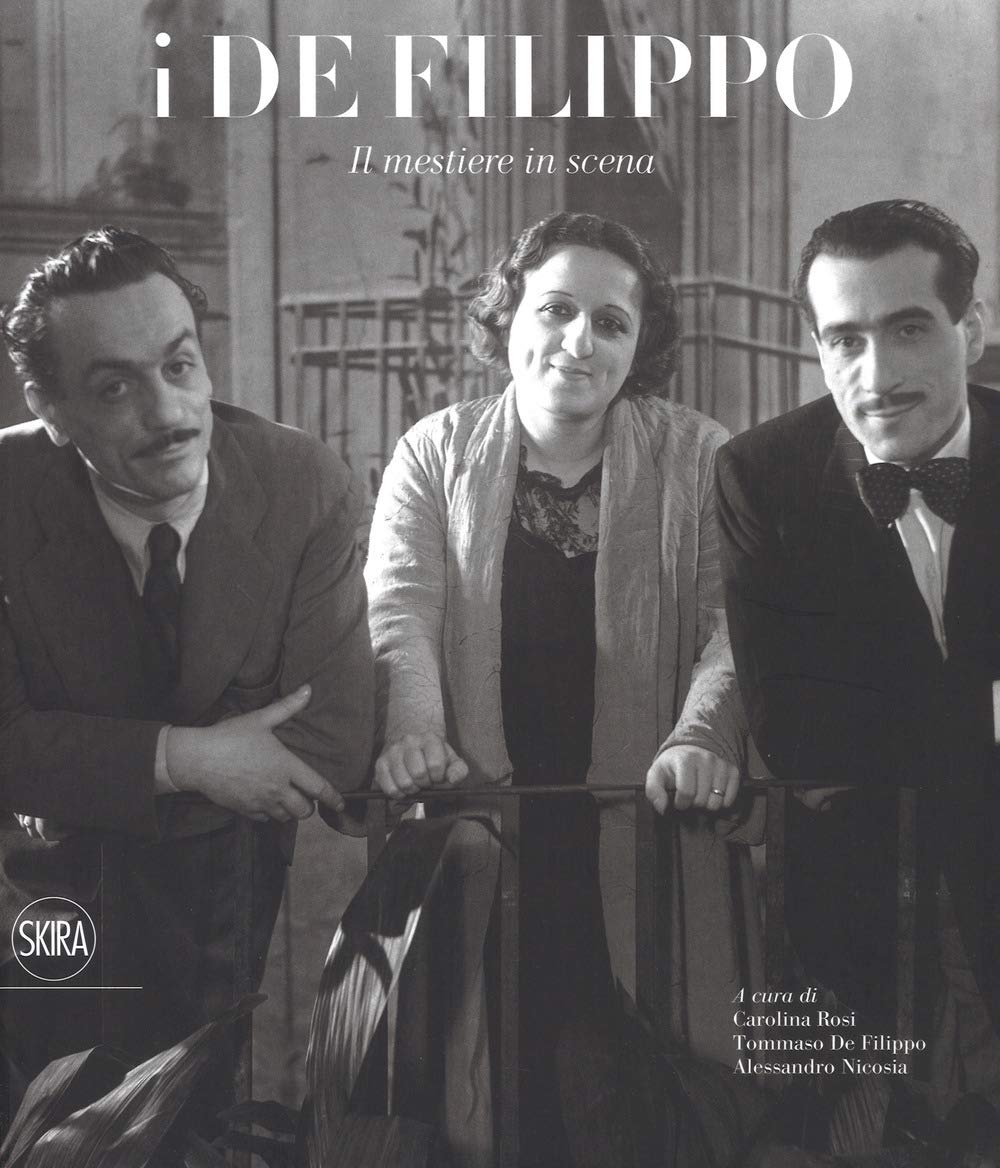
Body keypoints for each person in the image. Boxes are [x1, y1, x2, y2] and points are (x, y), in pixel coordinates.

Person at [365, 211, 761, 1167]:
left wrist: (702, 735)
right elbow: (399, 613)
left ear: (640, 346)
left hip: (651, 833)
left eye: (610, 322)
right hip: (488, 828)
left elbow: (735, 628)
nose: (579, 341)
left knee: (643, 1100)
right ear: (509, 315)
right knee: (495, 1093)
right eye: (554, 309)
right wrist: (414, 730)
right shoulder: (435, 451)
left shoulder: (701, 455)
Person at [0, 227, 374, 1110]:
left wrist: (79, 765)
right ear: (50, 407)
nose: (168, 413)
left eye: (180, 366)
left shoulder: (301, 483)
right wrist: (197, 757)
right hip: (48, 898)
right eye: (114, 387)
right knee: (53, 1128)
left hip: (225, 894)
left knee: (194, 1122)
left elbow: (331, 745)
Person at [716, 199, 1000, 1118]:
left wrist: (889, 707)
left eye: (908, 329)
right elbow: (797, 731)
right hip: (868, 914)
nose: (875, 376)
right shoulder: (761, 474)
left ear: (973, 327)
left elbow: (853, 713)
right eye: (844, 340)